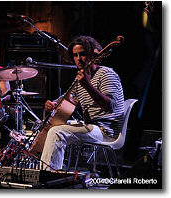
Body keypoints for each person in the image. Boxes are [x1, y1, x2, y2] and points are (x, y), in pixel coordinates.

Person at [40, 35, 124, 170]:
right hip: (91, 127)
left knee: (57, 132)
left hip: (106, 132)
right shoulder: (81, 78)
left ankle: (46, 176)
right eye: (75, 55)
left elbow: (110, 106)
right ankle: (53, 171)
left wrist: (88, 85)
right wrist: (53, 104)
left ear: (92, 54)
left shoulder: (107, 74)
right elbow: (68, 98)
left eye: (83, 54)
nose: (79, 59)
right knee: (50, 127)